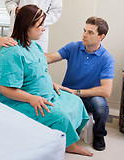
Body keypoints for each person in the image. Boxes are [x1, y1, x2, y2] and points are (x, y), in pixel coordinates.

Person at [0, 4, 93, 157]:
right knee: (60, 116)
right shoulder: (11, 52)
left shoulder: (35, 47)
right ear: (27, 27)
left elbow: (39, 72)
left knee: (76, 101)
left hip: (45, 94)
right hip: (20, 101)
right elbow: (1, 88)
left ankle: (68, 138)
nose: (43, 29)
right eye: (40, 25)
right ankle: (69, 144)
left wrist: (52, 84)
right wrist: (31, 98)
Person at [46, 16, 115, 151]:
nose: (84, 35)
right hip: (68, 94)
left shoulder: (107, 59)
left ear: (101, 36)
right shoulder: (73, 47)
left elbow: (106, 91)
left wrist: (77, 92)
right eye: (84, 30)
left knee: (100, 105)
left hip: (89, 97)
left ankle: (99, 134)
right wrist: (29, 50)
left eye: (90, 32)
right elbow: (49, 58)